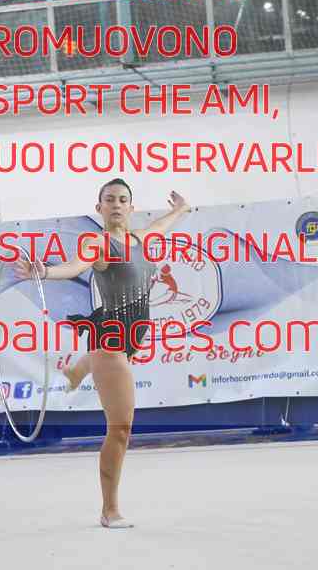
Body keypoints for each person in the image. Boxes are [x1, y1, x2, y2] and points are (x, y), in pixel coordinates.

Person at [14, 179, 192, 528]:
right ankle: (109, 510)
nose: (116, 204)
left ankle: (77, 371)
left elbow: (163, 224)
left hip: (128, 337)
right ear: (99, 208)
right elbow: (75, 266)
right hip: (112, 339)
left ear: (131, 207)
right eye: (109, 199)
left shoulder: (140, 239)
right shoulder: (98, 243)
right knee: (121, 429)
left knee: (106, 371)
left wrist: (181, 208)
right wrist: (46, 272)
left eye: (122, 199)